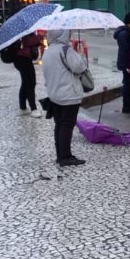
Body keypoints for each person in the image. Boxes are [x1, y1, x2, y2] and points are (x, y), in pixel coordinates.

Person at [42, 29, 88, 167]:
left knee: (59, 125)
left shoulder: (48, 51)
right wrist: (80, 56)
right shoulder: (66, 50)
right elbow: (79, 67)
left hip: (54, 94)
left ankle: (60, 155)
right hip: (69, 94)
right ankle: (65, 157)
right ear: (63, 34)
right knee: (67, 125)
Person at [14, 31, 43, 117]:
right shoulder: (25, 31)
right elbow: (30, 41)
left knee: (25, 83)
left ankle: (23, 108)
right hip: (23, 59)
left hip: (21, 58)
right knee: (31, 83)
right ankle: (33, 109)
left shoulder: (23, 30)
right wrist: (39, 37)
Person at [113, 12, 130, 114]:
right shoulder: (124, 34)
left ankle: (128, 104)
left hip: (125, 62)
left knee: (127, 83)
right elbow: (125, 50)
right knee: (127, 84)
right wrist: (128, 66)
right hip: (126, 63)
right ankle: (127, 106)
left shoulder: (126, 32)